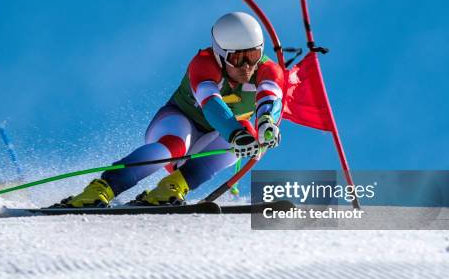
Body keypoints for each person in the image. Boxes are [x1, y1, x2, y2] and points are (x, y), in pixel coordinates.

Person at [52, 12, 284, 208]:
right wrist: (235, 133)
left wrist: (266, 123)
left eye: (252, 55)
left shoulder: (267, 70)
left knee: (250, 136)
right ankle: (101, 188)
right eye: (237, 58)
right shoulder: (203, 64)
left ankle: (171, 188)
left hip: (213, 139)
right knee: (174, 146)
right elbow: (211, 104)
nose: (246, 67)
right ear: (221, 54)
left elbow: (270, 97)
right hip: (178, 122)